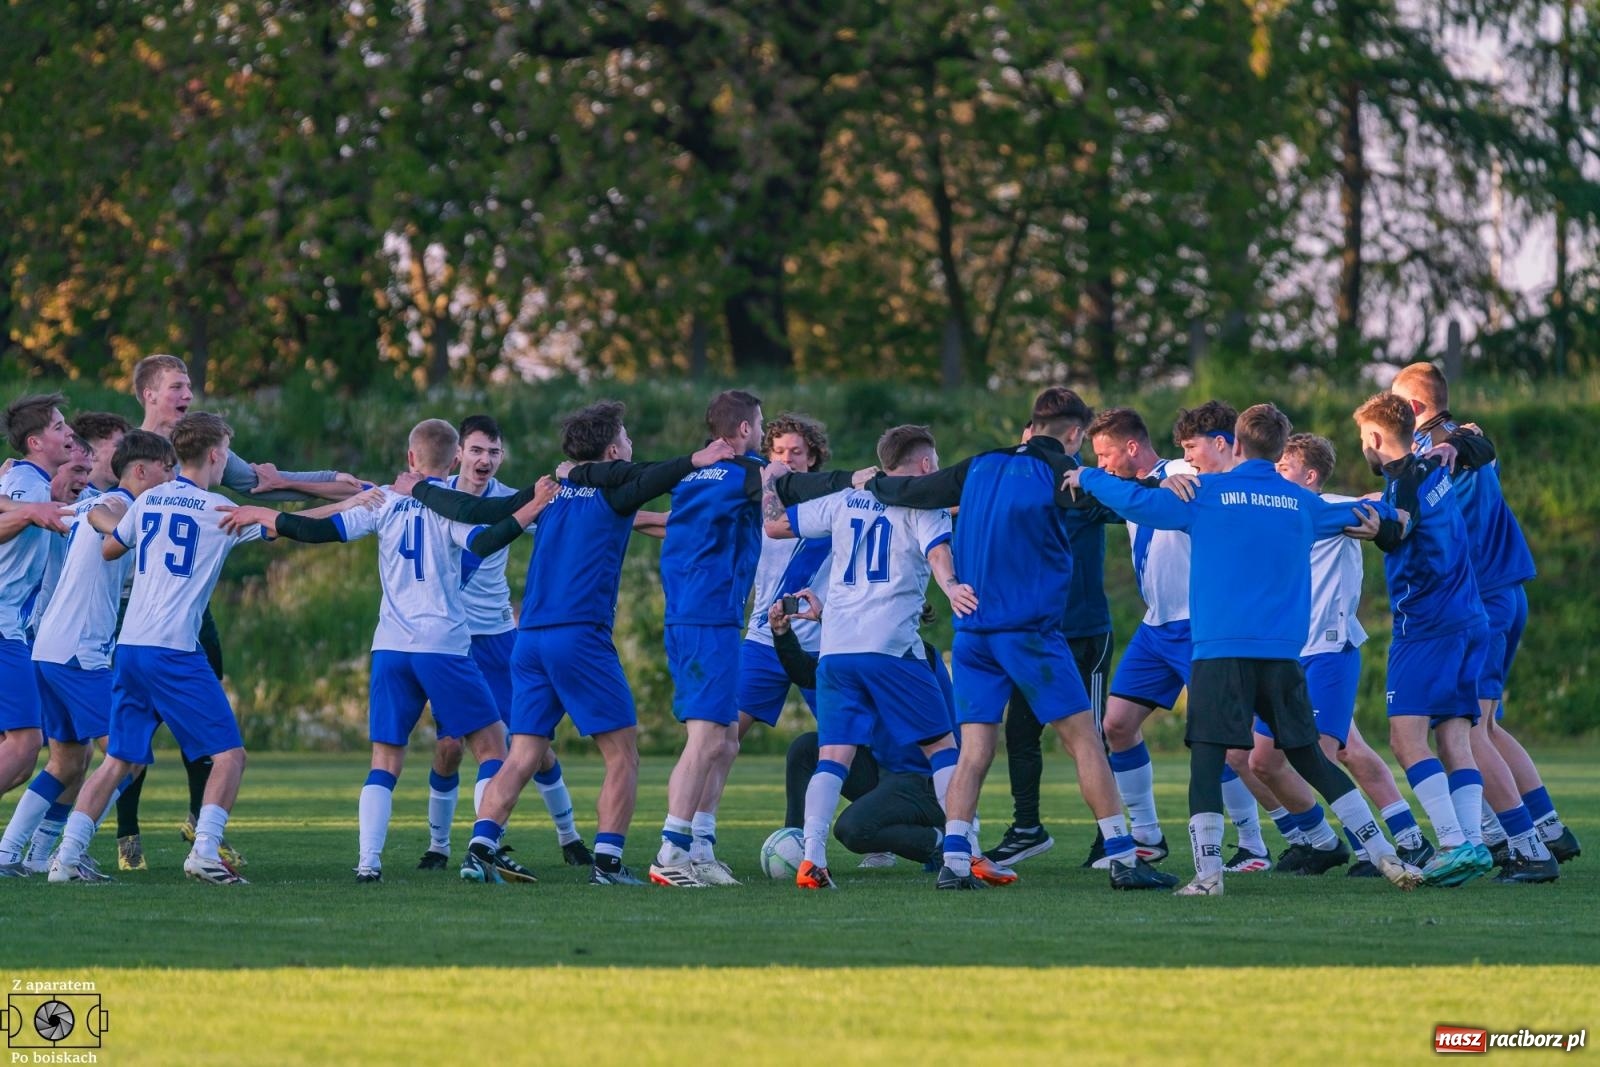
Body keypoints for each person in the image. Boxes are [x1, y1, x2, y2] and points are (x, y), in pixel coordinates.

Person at [1068, 402, 1422, 896]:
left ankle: (1209, 876)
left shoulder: (1204, 493)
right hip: (1281, 655)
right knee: (1313, 760)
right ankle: (1386, 855)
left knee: (1206, 762)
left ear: (1235, 445)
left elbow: (1134, 502)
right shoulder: (1300, 502)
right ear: (1280, 450)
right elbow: (1367, 512)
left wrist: (1087, 476)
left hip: (1219, 650)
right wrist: (1394, 517)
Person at [405, 400, 735, 886]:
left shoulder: (552, 491)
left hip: (530, 638)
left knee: (523, 754)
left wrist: (419, 489)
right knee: (623, 755)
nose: (630, 445)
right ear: (612, 449)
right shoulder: (613, 489)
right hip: (579, 635)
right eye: (624, 437)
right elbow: (652, 476)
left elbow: (473, 508)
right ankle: (607, 863)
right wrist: (694, 460)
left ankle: (480, 847)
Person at [866, 390, 1176, 891]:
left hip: (972, 637)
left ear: (1030, 426)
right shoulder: (1064, 473)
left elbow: (907, 492)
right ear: (1074, 434)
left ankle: (955, 862)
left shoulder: (979, 466)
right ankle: (1122, 856)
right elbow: (1133, 504)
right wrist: (1175, 485)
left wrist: (870, 480)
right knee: (1084, 743)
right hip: (1030, 633)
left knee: (974, 752)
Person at [222, 419, 531, 883]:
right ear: (453, 463)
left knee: (384, 761)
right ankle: (480, 849)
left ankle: (368, 861)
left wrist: (264, 515)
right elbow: (486, 540)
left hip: (390, 647)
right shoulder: (453, 507)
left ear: (410, 459)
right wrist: (529, 509)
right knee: (491, 747)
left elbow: (316, 532)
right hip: (442, 645)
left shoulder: (383, 501)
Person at [115, 354, 361, 872]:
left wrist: (331, 484)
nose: (187, 394)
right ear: (148, 395)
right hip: (127, 607)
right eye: (177, 386)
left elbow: (263, 486)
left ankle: (197, 822)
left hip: (180, 612)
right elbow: (89, 499)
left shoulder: (202, 448)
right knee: (133, 740)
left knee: (199, 722)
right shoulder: (126, 449)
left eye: (189, 386)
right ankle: (128, 830)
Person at [48, 413, 276, 885]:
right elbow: (287, 525)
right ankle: (207, 851)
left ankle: (66, 859)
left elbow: (111, 547)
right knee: (230, 756)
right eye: (227, 452)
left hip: (130, 648)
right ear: (215, 454)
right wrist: (355, 502)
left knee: (118, 760)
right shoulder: (217, 509)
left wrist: (123, 524)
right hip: (174, 650)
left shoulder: (150, 498)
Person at [1351, 392, 1551, 886]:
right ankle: (1476, 847)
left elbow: (1398, 528)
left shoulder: (1406, 484)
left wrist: (1372, 526)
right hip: (1470, 621)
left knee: (1405, 739)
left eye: (1362, 440)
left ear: (1375, 439)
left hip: (1427, 627)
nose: (1364, 449)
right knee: (1454, 737)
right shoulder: (1436, 468)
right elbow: (1470, 444)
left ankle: (1453, 842)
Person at [1391, 362, 1580, 869]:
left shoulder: (1445, 445)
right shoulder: (1459, 437)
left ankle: (1523, 845)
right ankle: (1548, 827)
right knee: (1488, 726)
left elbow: (1471, 448)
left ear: (1413, 408)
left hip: (1484, 598)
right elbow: (1479, 446)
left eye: (1394, 402)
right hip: (1506, 592)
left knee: (1467, 729)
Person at [765, 424, 967, 890]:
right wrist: (952, 585)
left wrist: (768, 486)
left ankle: (812, 860)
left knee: (832, 758)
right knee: (943, 749)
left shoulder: (843, 501)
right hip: (890, 646)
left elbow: (775, 525)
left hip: (837, 647)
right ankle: (962, 854)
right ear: (926, 465)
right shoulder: (923, 501)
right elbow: (938, 551)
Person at [1247, 433, 1435, 876]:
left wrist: (1391, 512)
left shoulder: (1331, 506)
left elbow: (1378, 498)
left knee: (1318, 755)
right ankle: (1402, 839)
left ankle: (1372, 848)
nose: (1275, 474)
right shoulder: (1277, 515)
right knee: (1273, 759)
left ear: (1309, 476)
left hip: (1329, 652)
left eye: (1284, 468)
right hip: (1287, 655)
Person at [418, 414, 589, 872]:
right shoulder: (435, 495)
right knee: (450, 747)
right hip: (450, 643)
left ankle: (569, 837)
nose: (485, 460)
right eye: (476, 450)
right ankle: (439, 847)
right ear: (458, 454)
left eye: (493, 452)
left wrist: (655, 518)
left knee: (534, 745)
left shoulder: (514, 500)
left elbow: (574, 517)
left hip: (498, 639)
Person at [0, 431, 175, 876]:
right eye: (166, 469)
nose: (172, 478)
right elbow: (105, 514)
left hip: (49, 649)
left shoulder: (91, 504)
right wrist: (114, 529)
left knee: (69, 761)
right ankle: (69, 855)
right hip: (79, 653)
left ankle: (21, 853)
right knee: (128, 757)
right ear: (140, 471)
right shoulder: (118, 506)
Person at [987, 411, 1117, 870]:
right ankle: (1027, 829)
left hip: (1084, 632)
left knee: (1091, 736)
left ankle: (1113, 838)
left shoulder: (1083, 482)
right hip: (1036, 635)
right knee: (1020, 731)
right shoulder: (1014, 485)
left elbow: (1127, 501)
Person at [651, 390, 766, 888]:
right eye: (760, 426)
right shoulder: (743, 471)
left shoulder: (693, 475)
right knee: (705, 740)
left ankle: (699, 844)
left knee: (725, 739)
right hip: (708, 617)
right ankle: (671, 852)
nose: (762, 436)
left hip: (695, 615)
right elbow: (790, 485)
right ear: (742, 430)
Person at [774, 594, 952, 867]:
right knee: (806, 748)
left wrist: (828, 621)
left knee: (852, 830)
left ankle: (937, 843)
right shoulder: (870, 657)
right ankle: (795, 844)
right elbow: (811, 674)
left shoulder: (917, 658)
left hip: (924, 784)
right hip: (885, 773)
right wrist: (783, 634)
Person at [737, 414, 834, 740]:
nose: (786, 459)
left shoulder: (832, 503)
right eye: (778, 452)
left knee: (850, 743)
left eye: (795, 452)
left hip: (823, 645)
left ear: (813, 457)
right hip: (765, 639)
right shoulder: (756, 504)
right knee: (721, 738)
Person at [0, 394, 76, 802]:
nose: (69, 433)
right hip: (2, 626)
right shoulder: (26, 483)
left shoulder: (28, 484)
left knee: (22, 751)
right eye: (59, 427)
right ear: (35, 442)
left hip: (16, 629)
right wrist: (29, 512)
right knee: (24, 746)